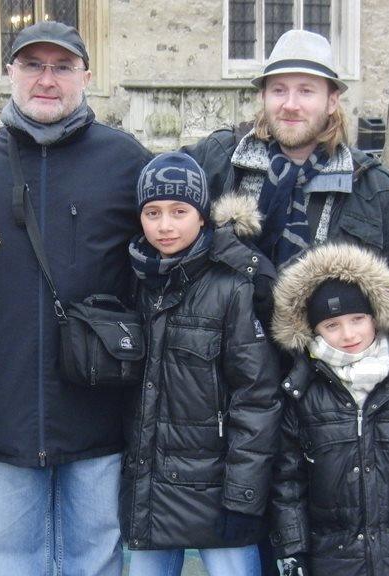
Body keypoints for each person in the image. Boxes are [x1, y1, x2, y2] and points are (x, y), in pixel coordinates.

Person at [0, 20, 153, 576]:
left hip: (96, 406)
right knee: (3, 563)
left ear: (86, 77)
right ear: (10, 75)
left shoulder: (126, 162)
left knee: (94, 562)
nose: (47, 79)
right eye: (33, 66)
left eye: (62, 67)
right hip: (4, 406)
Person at [184, 29, 389, 344]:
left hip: (321, 371)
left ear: (332, 100)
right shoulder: (220, 159)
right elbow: (153, 197)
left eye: (306, 91)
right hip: (228, 361)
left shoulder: (372, 184)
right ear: (264, 96)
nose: (290, 105)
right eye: (279, 90)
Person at [120, 152, 282, 575]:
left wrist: (244, 496)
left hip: (217, 489)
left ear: (202, 216)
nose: (165, 225)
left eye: (179, 211)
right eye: (152, 213)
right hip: (151, 490)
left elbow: (256, 397)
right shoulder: (133, 279)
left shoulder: (231, 287)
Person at [267, 242, 389, 576]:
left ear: (376, 317)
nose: (348, 334)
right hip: (331, 558)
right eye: (332, 325)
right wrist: (292, 549)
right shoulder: (301, 393)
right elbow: (288, 481)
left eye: (358, 319)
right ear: (313, 330)